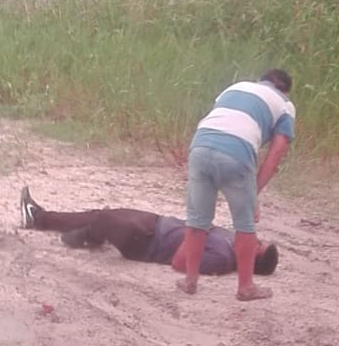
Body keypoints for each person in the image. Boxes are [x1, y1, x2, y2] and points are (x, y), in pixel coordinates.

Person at [177, 69, 295, 301]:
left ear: (262, 80)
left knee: (197, 220)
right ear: (285, 90)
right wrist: (255, 192)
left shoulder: (235, 87)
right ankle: (246, 287)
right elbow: (277, 151)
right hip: (236, 153)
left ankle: (190, 280)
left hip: (200, 146)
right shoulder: (285, 104)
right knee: (244, 223)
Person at [19, 188, 279, 280]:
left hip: (146, 243)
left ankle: (40, 220)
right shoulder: (230, 240)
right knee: (104, 215)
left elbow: (179, 263)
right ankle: (87, 234)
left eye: (258, 245)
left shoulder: (222, 259)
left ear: (251, 260)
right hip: (155, 224)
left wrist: (197, 232)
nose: (255, 239)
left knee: (104, 218)